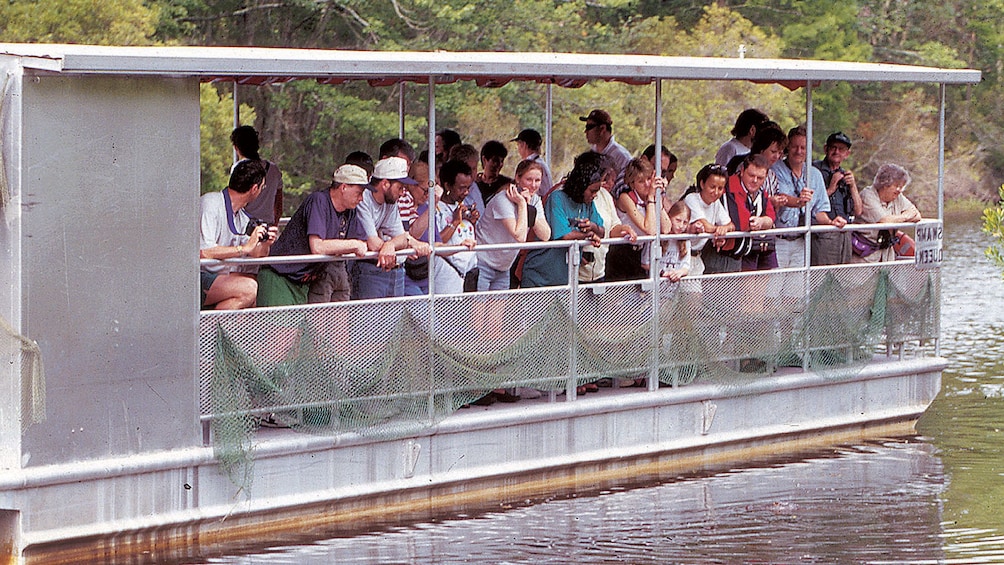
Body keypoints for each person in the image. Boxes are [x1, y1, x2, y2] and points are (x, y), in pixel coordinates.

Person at [255, 164, 371, 307]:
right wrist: (354, 245)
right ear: (344, 187)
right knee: (284, 329)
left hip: (304, 281)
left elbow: (363, 241)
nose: (361, 198)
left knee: (306, 329)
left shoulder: (350, 211)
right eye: (359, 192)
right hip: (281, 275)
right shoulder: (318, 200)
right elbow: (318, 246)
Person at [350, 156, 432, 299]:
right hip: (368, 269)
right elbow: (374, 243)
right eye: (400, 188)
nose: (402, 193)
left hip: (389, 270)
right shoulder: (363, 199)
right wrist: (393, 246)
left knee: (392, 320)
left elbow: (402, 236)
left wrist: (391, 245)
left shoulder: (390, 203)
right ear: (385, 184)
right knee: (368, 320)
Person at [200, 159, 277, 310]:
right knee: (248, 288)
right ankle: (209, 332)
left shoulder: (242, 217)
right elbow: (204, 252)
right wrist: (243, 248)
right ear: (255, 189)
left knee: (259, 288)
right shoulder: (210, 203)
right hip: (196, 276)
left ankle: (222, 330)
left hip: (218, 275)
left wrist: (265, 243)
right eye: (263, 187)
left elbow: (255, 253)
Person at [521, 156, 606, 288]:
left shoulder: (588, 203)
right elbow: (565, 235)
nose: (595, 195)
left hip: (565, 279)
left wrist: (593, 227)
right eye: (592, 191)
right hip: (539, 275)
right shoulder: (557, 198)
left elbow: (602, 231)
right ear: (581, 186)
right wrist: (588, 235)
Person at [769, 126, 843, 274]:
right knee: (772, 292)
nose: (799, 151)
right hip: (779, 240)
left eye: (803, 147)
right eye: (795, 146)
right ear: (787, 147)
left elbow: (820, 210)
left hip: (802, 241)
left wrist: (831, 222)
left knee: (795, 293)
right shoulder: (775, 169)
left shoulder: (815, 174)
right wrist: (799, 201)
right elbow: (781, 197)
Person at [476, 160, 551, 291]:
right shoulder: (503, 199)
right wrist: (522, 204)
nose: (533, 185)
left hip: (503, 267)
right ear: (517, 178)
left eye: (537, 180)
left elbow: (545, 235)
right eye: (529, 179)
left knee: (498, 312)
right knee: (478, 312)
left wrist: (528, 206)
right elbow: (519, 236)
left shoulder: (534, 200)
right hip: (482, 262)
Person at [710, 153, 776, 274]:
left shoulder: (761, 193)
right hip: (721, 255)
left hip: (745, 252)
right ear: (742, 171)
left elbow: (771, 218)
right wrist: (756, 224)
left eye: (760, 178)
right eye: (751, 175)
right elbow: (740, 223)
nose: (755, 181)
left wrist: (761, 222)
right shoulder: (728, 186)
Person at [608, 158, 671, 281]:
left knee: (639, 297)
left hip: (639, 252)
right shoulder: (626, 198)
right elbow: (650, 229)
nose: (647, 184)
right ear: (632, 184)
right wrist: (652, 199)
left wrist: (658, 199)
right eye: (641, 181)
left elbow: (667, 228)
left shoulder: (651, 198)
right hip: (622, 252)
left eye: (649, 179)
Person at [854, 164, 922, 263]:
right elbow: (884, 221)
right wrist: (906, 216)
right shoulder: (868, 195)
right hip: (865, 257)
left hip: (887, 256)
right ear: (884, 185)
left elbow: (917, 215)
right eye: (896, 186)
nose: (899, 190)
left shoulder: (898, 197)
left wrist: (899, 218)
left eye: (901, 186)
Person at [812, 132, 862, 265]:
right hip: (822, 235)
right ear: (825, 149)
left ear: (847, 154)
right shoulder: (814, 171)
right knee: (822, 279)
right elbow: (809, 204)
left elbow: (858, 211)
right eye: (833, 147)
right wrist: (831, 188)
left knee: (841, 279)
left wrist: (853, 187)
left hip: (844, 235)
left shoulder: (845, 174)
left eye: (841, 149)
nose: (836, 152)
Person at [431, 160, 478, 294]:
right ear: (447, 185)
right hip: (446, 277)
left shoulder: (465, 204)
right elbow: (438, 241)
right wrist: (455, 221)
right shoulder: (436, 208)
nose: (466, 192)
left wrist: (472, 221)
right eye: (462, 188)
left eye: (469, 188)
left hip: (469, 274)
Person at [682, 164, 734, 281]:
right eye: (712, 187)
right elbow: (705, 225)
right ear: (702, 184)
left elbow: (731, 225)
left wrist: (724, 229)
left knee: (694, 298)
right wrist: (719, 230)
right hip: (681, 256)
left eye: (720, 188)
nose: (716, 192)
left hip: (696, 257)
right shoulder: (692, 198)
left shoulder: (716, 203)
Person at [231, 125, 284, 225]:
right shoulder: (273, 169)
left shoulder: (239, 168)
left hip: (245, 227)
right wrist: (274, 224)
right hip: (267, 226)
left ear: (236, 148)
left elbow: (234, 202)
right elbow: (278, 205)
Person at [580, 109, 632, 193]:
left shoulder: (622, 156)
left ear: (602, 129)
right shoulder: (591, 153)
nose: (585, 131)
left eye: (589, 127)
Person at [512, 128, 554, 199]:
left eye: (518, 144)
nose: (518, 149)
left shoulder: (534, 165)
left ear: (524, 145)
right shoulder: (541, 163)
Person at [659, 201, 692, 283]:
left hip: (673, 288)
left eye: (685, 222)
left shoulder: (686, 241)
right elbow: (646, 263)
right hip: (655, 287)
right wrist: (663, 272)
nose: (681, 226)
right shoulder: (660, 237)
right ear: (669, 217)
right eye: (678, 220)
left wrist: (679, 273)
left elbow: (686, 266)